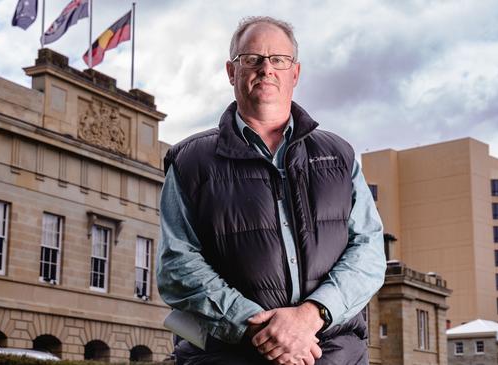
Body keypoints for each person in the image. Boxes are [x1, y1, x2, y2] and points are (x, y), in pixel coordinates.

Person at [157, 16, 385, 365]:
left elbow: (368, 252)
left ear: (295, 73)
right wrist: (258, 328)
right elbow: (177, 264)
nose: (267, 69)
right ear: (231, 72)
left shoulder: (340, 155)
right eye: (252, 59)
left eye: (279, 60)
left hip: (332, 354)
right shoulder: (190, 161)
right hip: (226, 355)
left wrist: (311, 316)